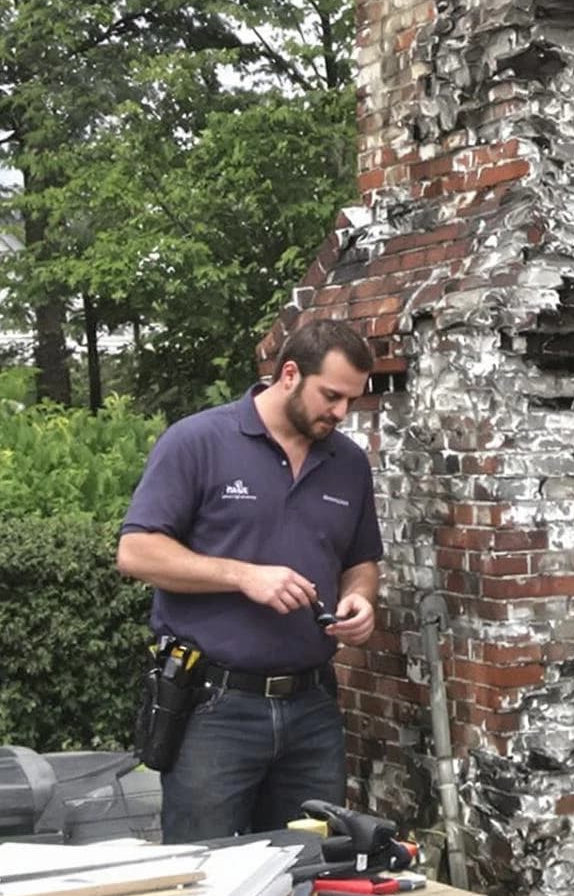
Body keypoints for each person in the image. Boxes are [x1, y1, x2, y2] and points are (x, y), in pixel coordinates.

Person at [117, 320, 383, 841]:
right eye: (331, 396)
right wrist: (242, 576)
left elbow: (362, 561)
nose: (341, 413)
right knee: (204, 871)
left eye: (351, 400)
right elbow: (136, 552)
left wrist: (360, 599)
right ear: (290, 374)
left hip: (312, 707)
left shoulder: (349, 463)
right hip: (214, 706)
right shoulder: (198, 441)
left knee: (310, 866)